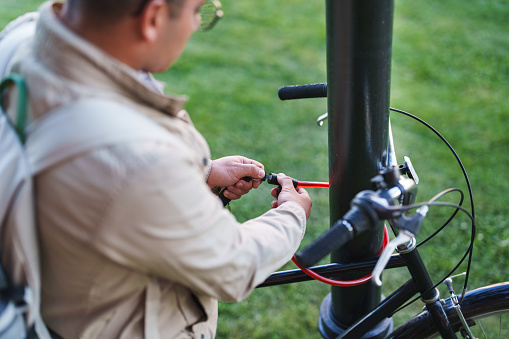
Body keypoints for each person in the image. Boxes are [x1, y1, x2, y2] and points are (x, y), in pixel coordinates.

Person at [8, 0, 312, 338]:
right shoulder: (135, 159)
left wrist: (199, 175)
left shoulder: (21, 40)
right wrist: (291, 215)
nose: (198, 23)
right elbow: (234, 265)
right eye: (200, 10)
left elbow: (97, 179)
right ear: (152, 16)